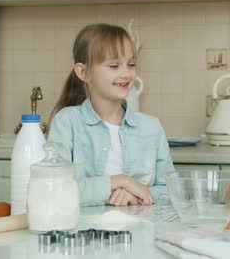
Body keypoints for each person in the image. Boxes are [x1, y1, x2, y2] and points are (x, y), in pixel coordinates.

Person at [48, 23, 175, 207]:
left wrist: (134, 194)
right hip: (84, 232)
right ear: (84, 72)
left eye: (131, 65)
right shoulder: (67, 122)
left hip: (141, 231)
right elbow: (56, 190)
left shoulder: (152, 127)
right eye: (114, 65)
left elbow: (173, 190)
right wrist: (119, 181)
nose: (126, 73)